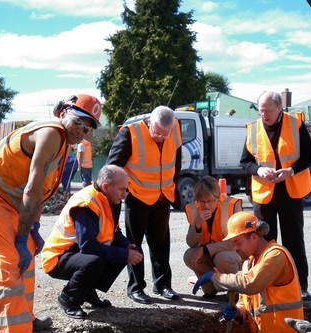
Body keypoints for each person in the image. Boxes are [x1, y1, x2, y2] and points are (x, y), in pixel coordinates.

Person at [0, 93, 102, 333]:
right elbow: (32, 188)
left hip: (3, 199)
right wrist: (21, 237)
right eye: (80, 122)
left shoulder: (63, 144)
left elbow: (40, 193)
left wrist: (31, 231)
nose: (83, 131)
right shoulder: (51, 133)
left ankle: (25, 320)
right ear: (63, 112)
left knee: (27, 254)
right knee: (8, 263)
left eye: (89, 126)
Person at [192, 211, 307, 333]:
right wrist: (239, 312)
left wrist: (215, 277)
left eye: (237, 242)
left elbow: (250, 284)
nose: (235, 248)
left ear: (253, 236)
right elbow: (248, 301)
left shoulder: (275, 255)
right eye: (233, 244)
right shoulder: (249, 263)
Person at [240, 90, 311, 300]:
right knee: (265, 242)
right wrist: (258, 170)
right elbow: (245, 162)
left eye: (268, 111)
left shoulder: (295, 124)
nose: (264, 115)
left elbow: (310, 156)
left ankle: (300, 287)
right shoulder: (253, 128)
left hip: (290, 192)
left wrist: (290, 171)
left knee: (294, 241)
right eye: (261, 111)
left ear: (279, 107)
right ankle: (266, 286)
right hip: (263, 195)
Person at [40, 165, 143, 319]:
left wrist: (126, 246)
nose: (125, 195)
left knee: (129, 252)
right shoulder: (86, 203)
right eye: (122, 189)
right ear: (106, 186)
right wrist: (123, 254)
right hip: (58, 258)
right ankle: (68, 298)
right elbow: (88, 247)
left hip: (76, 253)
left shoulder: (109, 197)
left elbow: (114, 231)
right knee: (94, 261)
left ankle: (87, 291)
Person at [106, 105, 182, 304]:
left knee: (161, 243)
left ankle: (163, 285)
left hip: (163, 197)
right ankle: (136, 287)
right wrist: (118, 195)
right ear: (150, 122)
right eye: (157, 133)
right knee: (134, 244)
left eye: (165, 134)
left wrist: (174, 188)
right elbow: (113, 168)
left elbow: (176, 162)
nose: (161, 138)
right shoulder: (129, 134)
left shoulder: (175, 131)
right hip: (137, 197)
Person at [184, 176, 243, 298]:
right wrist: (198, 224)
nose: (206, 205)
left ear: (218, 198)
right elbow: (191, 244)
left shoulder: (232, 206)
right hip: (211, 254)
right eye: (202, 201)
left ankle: (234, 290)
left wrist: (204, 249)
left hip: (233, 253)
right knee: (189, 256)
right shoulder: (194, 209)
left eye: (210, 201)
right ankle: (211, 288)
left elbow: (236, 242)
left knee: (222, 257)